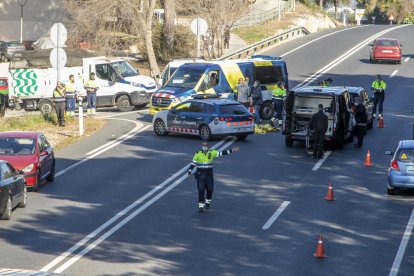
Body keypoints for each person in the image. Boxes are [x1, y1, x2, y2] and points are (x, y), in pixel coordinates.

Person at [188, 141, 239, 212]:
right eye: (203, 146)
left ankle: (207, 203)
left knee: (210, 189)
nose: (204, 147)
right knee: (201, 190)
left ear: (208, 146)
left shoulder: (212, 152)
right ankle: (201, 206)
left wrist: (231, 150)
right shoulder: (197, 154)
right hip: (200, 176)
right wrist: (189, 171)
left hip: (209, 175)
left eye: (206, 146)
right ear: (201, 146)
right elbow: (193, 164)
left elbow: (221, 153)